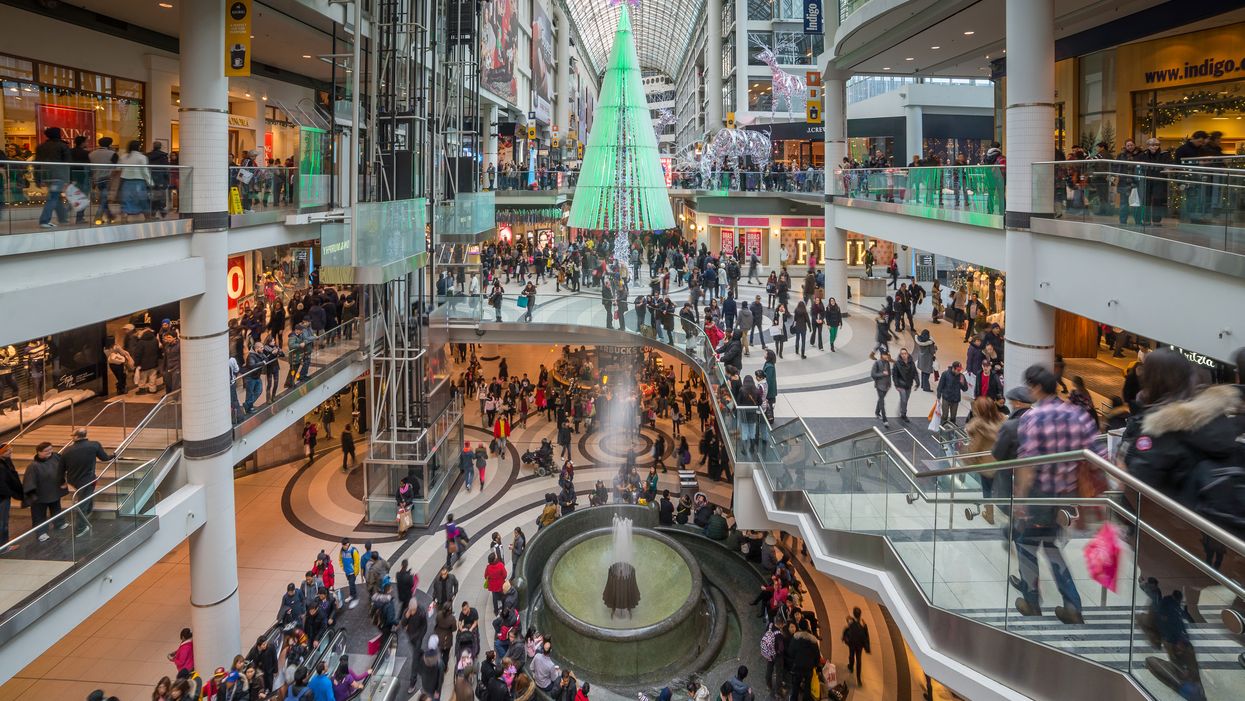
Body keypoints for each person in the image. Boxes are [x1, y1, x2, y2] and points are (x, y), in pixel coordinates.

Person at [1013, 364, 1103, 624]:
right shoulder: (1078, 415)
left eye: (1030, 386)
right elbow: (1098, 457)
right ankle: (1072, 605)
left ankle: (1032, 602)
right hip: (1065, 497)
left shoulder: (1033, 417)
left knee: (1026, 546)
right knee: (1051, 546)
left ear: (1038, 387)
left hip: (1039, 496)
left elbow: (1027, 464)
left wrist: (1020, 499)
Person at [965, 397, 1005, 524]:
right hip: (1004, 461)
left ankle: (989, 514)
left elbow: (974, 448)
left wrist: (968, 460)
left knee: (987, 489)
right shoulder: (1003, 420)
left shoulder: (980, 427)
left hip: (987, 464)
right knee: (1003, 487)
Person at [22, 441, 66, 541]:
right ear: (39, 452)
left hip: (54, 490)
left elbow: (62, 469)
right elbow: (29, 482)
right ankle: (41, 532)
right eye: (46, 451)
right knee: (39, 515)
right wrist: (32, 495)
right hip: (40, 495)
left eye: (51, 449)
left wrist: (63, 481)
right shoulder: (33, 466)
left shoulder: (55, 457)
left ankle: (59, 523)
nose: (50, 452)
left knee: (56, 508)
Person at [36, 127, 72, 229]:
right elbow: (68, 163)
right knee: (53, 197)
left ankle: (63, 218)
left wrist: (37, 178)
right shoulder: (62, 146)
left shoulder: (41, 147)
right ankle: (44, 220)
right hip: (58, 176)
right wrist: (68, 179)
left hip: (46, 176)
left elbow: (36, 164)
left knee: (56, 197)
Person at [841, 607, 871, 686]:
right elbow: (866, 636)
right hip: (859, 646)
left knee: (851, 655)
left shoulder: (851, 623)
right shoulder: (863, 625)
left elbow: (848, 628)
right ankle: (858, 679)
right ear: (860, 614)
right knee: (859, 660)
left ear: (854, 614)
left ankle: (850, 667)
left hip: (852, 644)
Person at [891, 348, 917, 423]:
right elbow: (894, 375)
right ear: (900, 355)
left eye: (905, 353)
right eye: (902, 354)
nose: (904, 355)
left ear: (907, 354)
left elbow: (915, 372)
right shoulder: (897, 363)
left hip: (909, 385)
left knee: (905, 399)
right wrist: (896, 385)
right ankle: (903, 414)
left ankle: (902, 409)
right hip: (900, 385)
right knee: (904, 399)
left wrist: (917, 382)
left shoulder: (911, 363)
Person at [870, 351, 892, 427]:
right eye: (885, 355)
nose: (886, 356)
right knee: (882, 401)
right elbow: (873, 374)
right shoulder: (877, 363)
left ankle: (876, 412)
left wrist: (889, 383)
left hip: (886, 386)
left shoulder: (887, 363)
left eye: (887, 355)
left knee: (880, 399)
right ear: (882, 355)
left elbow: (889, 374)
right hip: (879, 386)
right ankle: (885, 419)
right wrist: (882, 374)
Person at [339, 538, 361, 607]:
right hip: (347, 571)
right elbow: (340, 559)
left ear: (348, 544)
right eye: (342, 545)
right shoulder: (342, 550)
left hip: (352, 572)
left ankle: (355, 598)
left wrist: (355, 572)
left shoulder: (353, 551)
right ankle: (351, 595)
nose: (343, 547)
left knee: (352, 584)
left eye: (344, 545)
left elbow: (357, 562)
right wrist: (342, 567)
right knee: (350, 583)